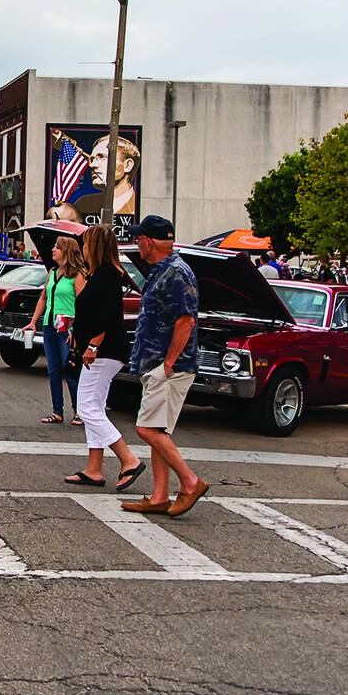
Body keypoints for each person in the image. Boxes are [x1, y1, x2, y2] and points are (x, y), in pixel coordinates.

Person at [121, 215, 209, 518]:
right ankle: (159, 496)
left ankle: (190, 482)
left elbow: (186, 320)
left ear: (149, 241)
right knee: (158, 429)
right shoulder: (163, 270)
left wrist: (169, 363)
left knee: (146, 428)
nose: (137, 243)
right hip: (158, 363)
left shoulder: (175, 273)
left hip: (168, 366)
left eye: (139, 238)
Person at [64, 226, 145, 490]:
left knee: (86, 408)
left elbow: (109, 315)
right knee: (94, 408)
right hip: (102, 349)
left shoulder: (107, 275)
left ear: (95, 246)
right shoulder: (100, 274)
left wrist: (93, 345)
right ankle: (94, 468)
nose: (83, 249)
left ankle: (128, 459)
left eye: (86, 244)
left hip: (104, 351)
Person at [24, 237, 86, 426]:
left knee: (70, 368)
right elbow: (43, 297)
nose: (53, 250)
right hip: (50, 325)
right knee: (53, 370)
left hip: (67, 327)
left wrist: (76, 328)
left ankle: (79, 412)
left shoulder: (78, 275)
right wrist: (34, 321)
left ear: (66, 252)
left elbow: (83, 304)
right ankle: (57, 411)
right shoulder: (53, 272)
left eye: (57, 248)